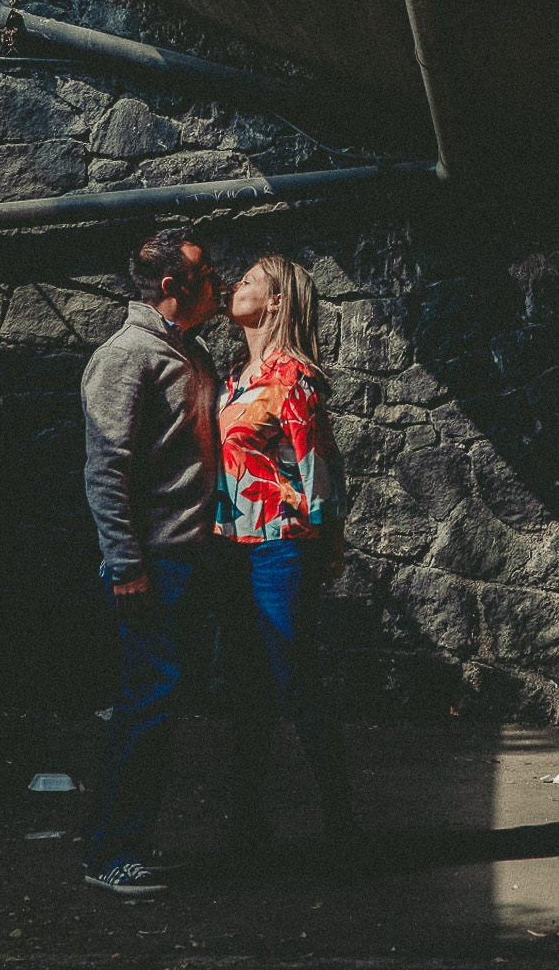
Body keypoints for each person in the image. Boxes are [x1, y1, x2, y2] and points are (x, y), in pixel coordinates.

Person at [78, 228, 222, 895]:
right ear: (172, 287)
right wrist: (125, 563)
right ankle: (110, 855)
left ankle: (125, 843)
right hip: (150, 566)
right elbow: (106, 471)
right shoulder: (127, 356)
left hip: (184, 562)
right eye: (206, 273)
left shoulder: (185, 353)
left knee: (154, 704)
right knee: (148, 703)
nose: (217, 282)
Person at [210, 253, 357, 849]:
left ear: (274, 303)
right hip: (232, 550)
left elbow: (318, 470)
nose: (232, 286)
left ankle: (342, 831)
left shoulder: (292, 378)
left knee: (296, 683)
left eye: (246, 282)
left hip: (279, 547)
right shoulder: (235, 378)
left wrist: (326, 546)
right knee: (246, 688)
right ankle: (247, 828)